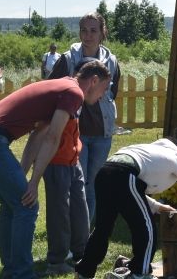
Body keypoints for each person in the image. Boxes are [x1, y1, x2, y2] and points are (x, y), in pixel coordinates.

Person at [0, 61, 110, 279]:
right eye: (104, 88)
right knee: (27, 206)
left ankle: (11, 268)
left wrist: (24, 174)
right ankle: (21, 273)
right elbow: (52, 139)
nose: (103, 95)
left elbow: (39, 134)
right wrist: (33, 182)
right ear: (94, 81)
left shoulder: (63, 86)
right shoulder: (74, 93)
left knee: (12, 202)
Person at [76, 137, 177, 279]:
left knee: (102, 229)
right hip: (125, 174)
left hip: (105, 173)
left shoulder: (144, 149)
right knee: (146, 227)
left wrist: (156, 206)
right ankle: (140, 272)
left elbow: (133, 189)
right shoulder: (175, 156)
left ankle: (84, 271)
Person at [49, 12, 121, 221]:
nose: (87, 35)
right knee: (77, 182)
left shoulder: (112, 61)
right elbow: (54, 87)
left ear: (102, 33)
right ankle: (77, 227)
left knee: (94, 182)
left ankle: (87, 229)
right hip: (75, 132)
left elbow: (112, 93)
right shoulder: (68, 59)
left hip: (102, 132)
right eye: (84, 30)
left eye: (93, 30)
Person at [41, 116, 89, 276]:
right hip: (56, 160)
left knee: (80, 209)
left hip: (73, 159)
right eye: (104, 89)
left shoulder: (79, 98)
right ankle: (56, 262)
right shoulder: (68, 95)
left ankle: (81, 254)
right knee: (59, 213)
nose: (105, 94)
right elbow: (45, 131)